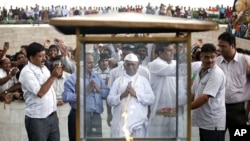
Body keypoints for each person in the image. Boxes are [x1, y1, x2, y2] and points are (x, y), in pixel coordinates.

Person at [19, 42, 62, 141]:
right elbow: (40, 93)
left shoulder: (44, 68)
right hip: (37, 119)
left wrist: (54, 113)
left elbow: (51, 92)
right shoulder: (26, 72)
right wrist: (53, 76)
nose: (44, 58)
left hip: (51, 116)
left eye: (44, 55)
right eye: (40, 56)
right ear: (31, 58)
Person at [63, 53, 109, 139]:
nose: (92, 65)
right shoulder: (73, 78)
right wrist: (86, 91)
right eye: (89, 63)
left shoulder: (97, 77)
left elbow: (107, 94)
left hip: (95, 116)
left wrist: (99, 90)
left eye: (92, 62)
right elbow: (66, 97)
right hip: (78, 116)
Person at [107, 53, 155, 137]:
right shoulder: (118, 81)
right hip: (121, 123)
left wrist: (135, 94)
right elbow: (109, 100)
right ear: (124, 66)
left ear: (138, 66)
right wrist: (122, 95)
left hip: (139, 123)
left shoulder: (143, 81)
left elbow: (151, 99)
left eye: (133, 64)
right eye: (128, 64)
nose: (130, 67)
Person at [147, 43, 187, 138]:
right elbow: (176, 70)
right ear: (160, 52)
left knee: (177, 135)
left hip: (175, 108)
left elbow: (181, 85)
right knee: (161, 136)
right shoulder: (154, 64)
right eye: (169, 50)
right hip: (161, 108)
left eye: (172, 50)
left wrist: (183, 99)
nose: (172, 52)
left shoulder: (175, 63)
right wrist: (200, 64)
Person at [216, 32, 250, 140]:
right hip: (217, 108)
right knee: (216, 137)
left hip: (238, 110)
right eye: (219, 46)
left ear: (232, 46)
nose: (220, 49)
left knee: (239, 137)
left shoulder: (246, 60)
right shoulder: (216, 62)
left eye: (223, 46)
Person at [191, 43, 226, 141]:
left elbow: (204, 98)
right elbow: (193, 92)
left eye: (213, 57)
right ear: (201, 57)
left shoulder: (216, 74)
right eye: (206, 57)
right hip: (203, 121)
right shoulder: (200, 70)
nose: (210, 60)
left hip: (212, 124)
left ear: (216, 57)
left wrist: (186, 108)